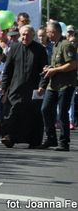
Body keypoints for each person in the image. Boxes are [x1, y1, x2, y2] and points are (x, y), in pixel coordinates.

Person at [0, 25, 48, 148]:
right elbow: (8, 70)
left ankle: (34, 141)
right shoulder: (14, 48)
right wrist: (4, 86)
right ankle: (9, 137)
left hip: (33, 89)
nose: (25, 37)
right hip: (15, 88)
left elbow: (44, 70)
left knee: (33, 115)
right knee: (13, 113)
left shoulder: (40, 50)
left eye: (27, 34)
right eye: (22, 34)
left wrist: (42, 85)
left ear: (33, 35)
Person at [37, 21, 77, 151]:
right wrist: (49, 68)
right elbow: (57, 64)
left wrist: (56, 70)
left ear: (54, 32)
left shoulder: (66, 45)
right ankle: (51, 138)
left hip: (65, 85)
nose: (47, 35)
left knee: (63, 114)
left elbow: (73, 64)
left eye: (48, 32)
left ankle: (64, 142)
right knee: (46, 109)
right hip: (53, 84)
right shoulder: (55, 45)